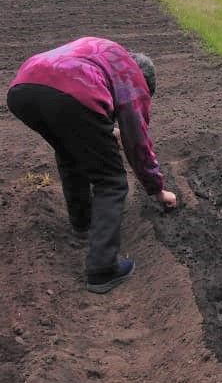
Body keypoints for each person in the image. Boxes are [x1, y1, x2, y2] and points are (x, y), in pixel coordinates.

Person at [6, 36, 177, 294]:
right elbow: (138, 143)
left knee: (70, 153)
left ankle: (82, 223)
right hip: (69, 93)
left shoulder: (107, 53)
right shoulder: (133, 78)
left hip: (23, 90)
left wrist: (104, 129)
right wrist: (157, 189)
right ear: (146, 83)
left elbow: (83, 119)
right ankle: (102, 269)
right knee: (111, 181)